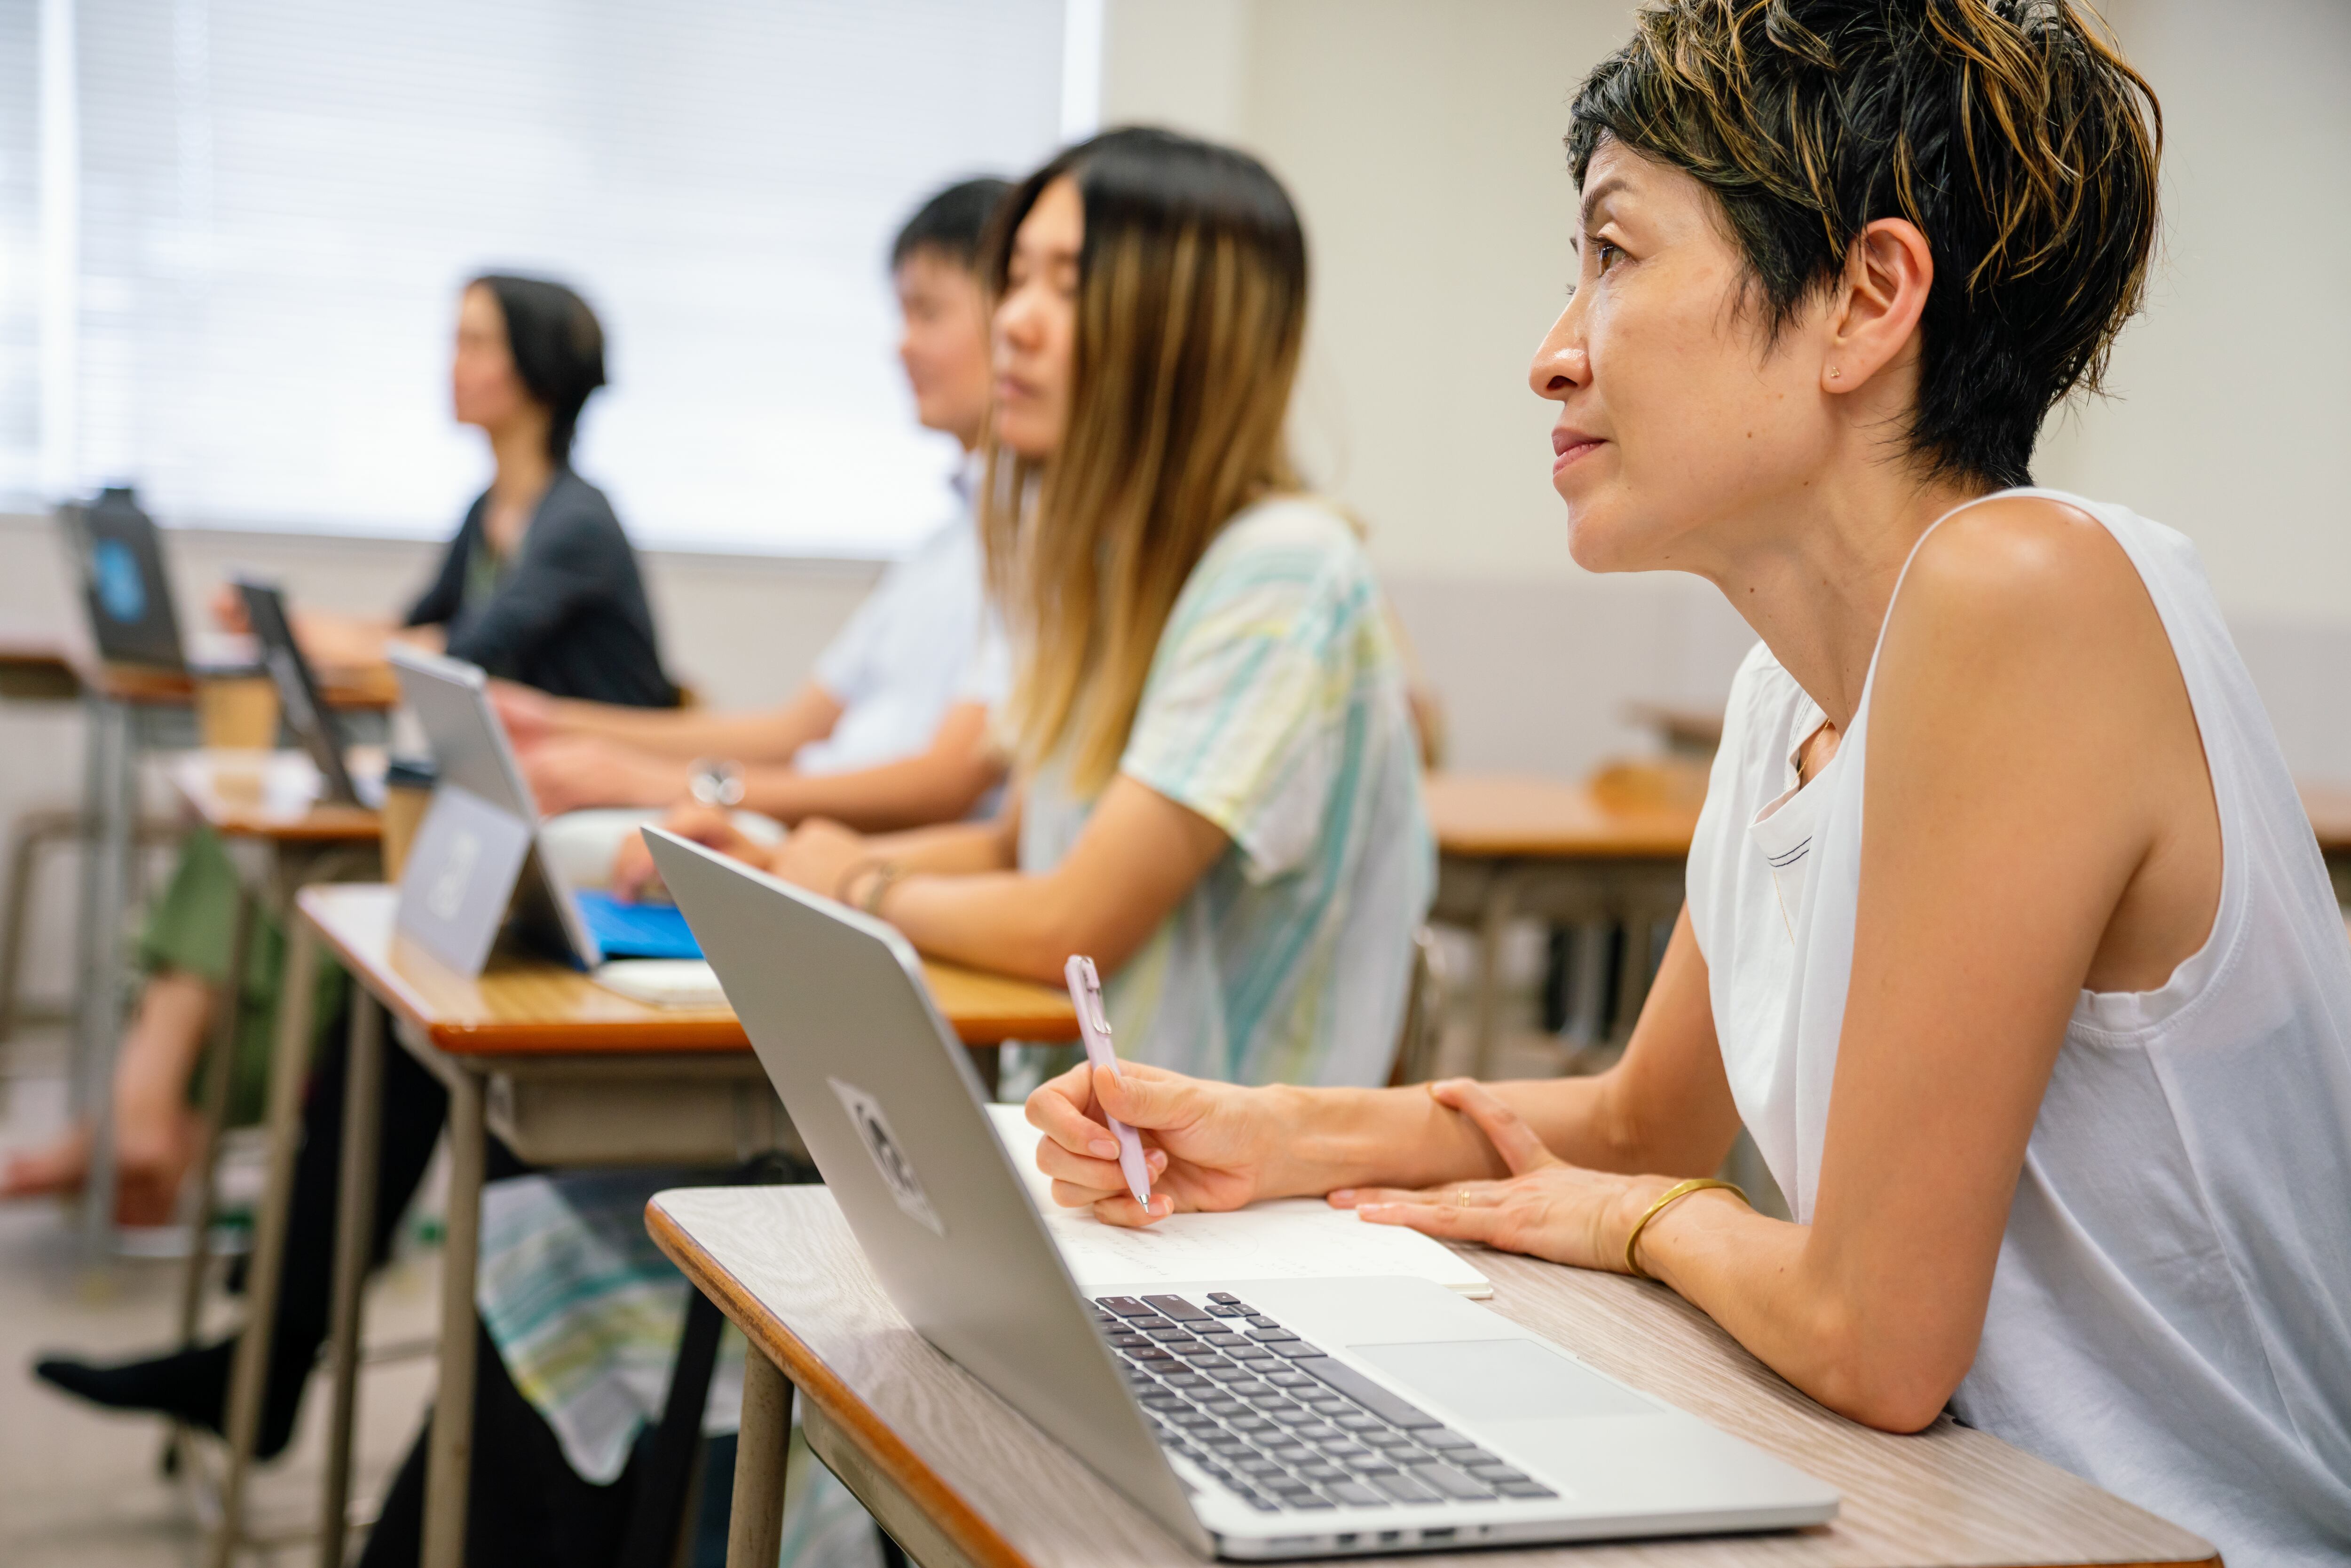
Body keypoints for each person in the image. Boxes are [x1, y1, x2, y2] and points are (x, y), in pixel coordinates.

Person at [1026, 5, 2351, 1563]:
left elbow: (1869, 1333)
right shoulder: (1786, 684)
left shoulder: (2027, 585)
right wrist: (1274, 1133)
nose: (1554, 348)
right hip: (1969, 1515)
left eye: (1617, 253)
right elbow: (1640, 1118)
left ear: (1866, 298)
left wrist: (1647, 1223)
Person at [30, 271, 671, 1450]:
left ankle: (237, 1291)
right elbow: (418, 633)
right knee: (362, 1010)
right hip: (512, 841)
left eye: (474, 339)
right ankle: (258, 1333)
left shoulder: (576, 517)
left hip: (591, 862)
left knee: (359, 988)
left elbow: (456, 655)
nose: (452, 359)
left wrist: (330, 642)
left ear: (531, 369)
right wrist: (310, 635)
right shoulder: (494, 509)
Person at [672, 128, 1435, 1089]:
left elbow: (1071, 923)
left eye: (1066, 287)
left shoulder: (1283, 571)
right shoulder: (1104, 567)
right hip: (1083, 1144)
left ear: (1190, 332)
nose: (1013, 323)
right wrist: (777, 864)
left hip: (1220, 1195)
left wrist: (856, 881)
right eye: (1015, 279)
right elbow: (1012, 845)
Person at [492, 177, 1017, 895]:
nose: (903, 346)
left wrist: (687, 786)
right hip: (814, 835)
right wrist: (560, 725)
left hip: (862, 849)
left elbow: (945, 784)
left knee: (565, 860)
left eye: (928, 313)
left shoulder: (1034, 551)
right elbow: (794, 728)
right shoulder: (943, 546)